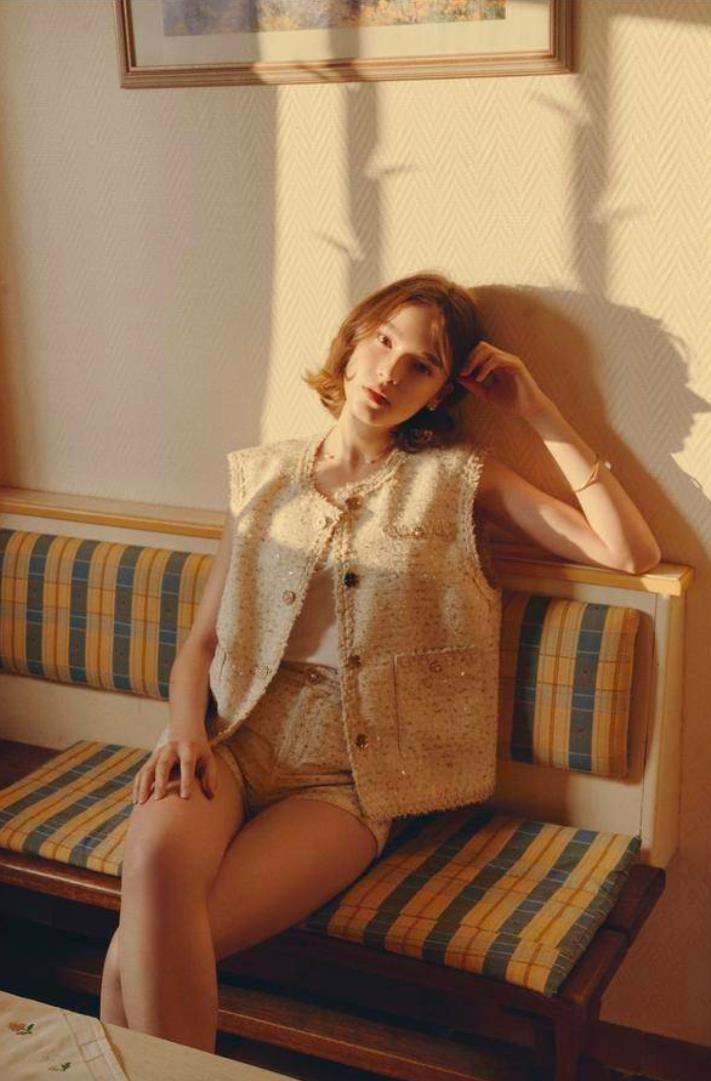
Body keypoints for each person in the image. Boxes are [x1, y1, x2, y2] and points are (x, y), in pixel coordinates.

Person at [99, 271, 660, 1051]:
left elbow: (630, 552)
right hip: (227, 739)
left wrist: (536, 409)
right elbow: (202, 642)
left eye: (420, 364)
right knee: (154, 869)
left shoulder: (456, 479)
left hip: (350, 777)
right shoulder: (261, 476)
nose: (391, 371)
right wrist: (186, 732)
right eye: (384, 341)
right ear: (353, 341)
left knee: (135, 949)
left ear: (439, 392)